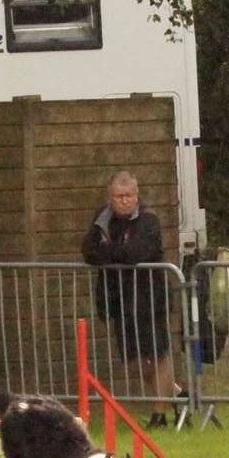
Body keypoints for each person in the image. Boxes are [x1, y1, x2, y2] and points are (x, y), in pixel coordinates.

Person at [81, 170, 186, 428]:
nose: (124, 200)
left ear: (136, 196)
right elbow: (89, 252)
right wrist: (113, 251)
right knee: (137, 363)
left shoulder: (148, 221)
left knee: (158, 355)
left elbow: (137, 253)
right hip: (119, 300)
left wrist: (109, 250)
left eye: (129, 196)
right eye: (119, 196)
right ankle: (181, 397)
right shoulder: (101, 219)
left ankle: (159, 414)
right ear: (110, 197)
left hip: (149, 298)